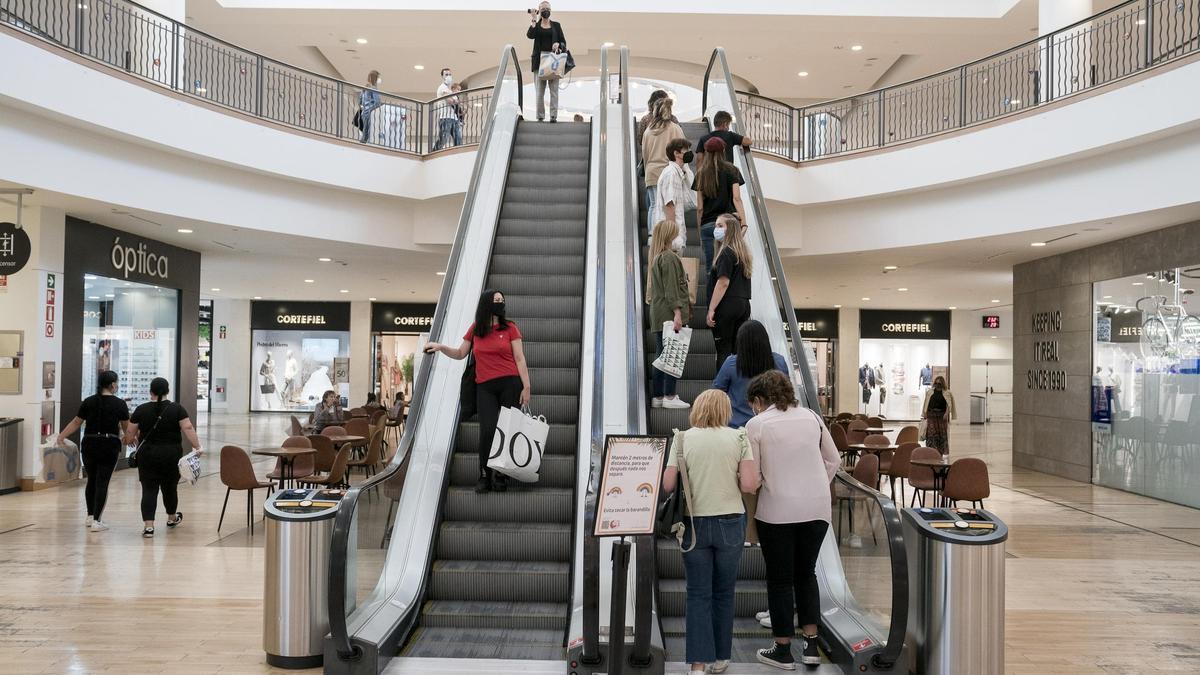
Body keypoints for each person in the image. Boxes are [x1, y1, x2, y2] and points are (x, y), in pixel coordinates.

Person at [744, 370, 839, 669]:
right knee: (806, 574)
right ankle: (811, 646)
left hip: (778, 512)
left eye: (753, 403)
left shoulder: (757, 425)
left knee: (781, 579)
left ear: (760, 400)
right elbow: (833, 459)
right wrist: (815, 485)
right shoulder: (811, 417)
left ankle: (783, 649)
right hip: (817, 510)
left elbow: (753, 480)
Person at [662, 390, 759, 674]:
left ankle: (698, 664)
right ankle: (721, 657)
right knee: (724, 593)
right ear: (725, 410)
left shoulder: (682, 438)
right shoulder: (739, 437)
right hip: (731, 522)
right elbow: (749, 484)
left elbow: (668, 485)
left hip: (695, 524)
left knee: (698, 593)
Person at [424, 289, 532, 493]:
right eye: (496, 300)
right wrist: (440, 347)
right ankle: (484, 474)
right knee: (488, 430)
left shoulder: (510, 328)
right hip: (485, 386)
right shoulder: (476, 329)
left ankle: (502, 473)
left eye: (502, 300)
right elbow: (460, 353)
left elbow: (519, 358)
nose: (500, 303)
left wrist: (526, 386)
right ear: (486, 304)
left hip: (510, 383)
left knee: (507, 429)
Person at [126, 378, 202, 538]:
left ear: (151, 391)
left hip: (147, 455)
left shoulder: (141, 409)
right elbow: (188, 427)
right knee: (170, 487)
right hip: (171, 455)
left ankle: (149, 527)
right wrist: (197, 446)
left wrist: (131, 438)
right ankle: (172, 518)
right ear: (167, 390)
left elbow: (129, 434)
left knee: (149, 489)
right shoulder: (177, 409)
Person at [55, 370, 128, 532]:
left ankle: (89, 516)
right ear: (112, 385)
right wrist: (129, 438)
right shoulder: (119, 404)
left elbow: (76, 422)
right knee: (103, 482)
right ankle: (97, 520)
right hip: (109, 444)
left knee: (92, 480)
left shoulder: (88, 402)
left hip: (89, 443)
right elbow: (126, 428)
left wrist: (61, 436)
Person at [646, 219, 691, 410]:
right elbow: (671, 290)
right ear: (669, 235)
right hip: (668, 312)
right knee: (672, 353)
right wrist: (678, 314)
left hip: (658, 311)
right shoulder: (670, 258)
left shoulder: (657, 257)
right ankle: (670, 395)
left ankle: (657, 396)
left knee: (661, 354)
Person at [713, 320, 787, 428]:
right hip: (771, 425)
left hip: (737, 427)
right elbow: (786, 393)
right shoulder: (779, 361)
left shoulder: (732, 363)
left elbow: (716, 393)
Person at [692, 137, 746, 285]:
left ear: (706, 153)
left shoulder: (701, 174)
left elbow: (700, 207)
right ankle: (725, 305)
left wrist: (700, 229)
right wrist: (744, 223)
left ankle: (711, 306)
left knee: (711, 268)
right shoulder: (732, 170)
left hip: (708, 225)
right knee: (730, 266)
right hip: (728, 225)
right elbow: (737, 198)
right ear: (723, 151)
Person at [707, 213, 753, 367]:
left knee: (723, 350)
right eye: (716, 226)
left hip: (727, 305)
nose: (716, 229)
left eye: (720, 226)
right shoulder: (742, 253)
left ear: (731, 230)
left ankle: (721, 390)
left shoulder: (726, 252)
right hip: (744, 304)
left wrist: (711, 309)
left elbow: (723, 282)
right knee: (736, 351)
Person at [641, 97, 685, 227]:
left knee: (654, 205)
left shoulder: (648, 131)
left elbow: (645, 154)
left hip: (652, 171)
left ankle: (652, 235)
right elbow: (683, 151)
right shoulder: (675, 129)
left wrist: (647, 168)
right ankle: (670, 235)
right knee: (670, 204)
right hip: (669, 171)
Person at [526, 1, 566, 122]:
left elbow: (564, 42)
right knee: (539, 92)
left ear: (551, 10)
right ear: (539, 10)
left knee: (554, 91)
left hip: (553, 61)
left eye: (547, 8)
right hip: (539, 62)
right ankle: (540, 116)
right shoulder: (537, 26)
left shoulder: (556, 26)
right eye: (543, 9)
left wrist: (559, 44)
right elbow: (530, 35)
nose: (545, 10)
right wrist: (533, 18)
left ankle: (553, 116)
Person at [654, 137, 694, 249]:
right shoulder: (671, 174)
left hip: (675, 235)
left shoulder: (677, 173)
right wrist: (671, 238)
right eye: (686, 151)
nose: (689, 153)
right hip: (672, 238)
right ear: (676, 153)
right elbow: (669, 205)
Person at [922, 375, 956, 454]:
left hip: (941, 416)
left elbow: (949, 404)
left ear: (943, 384)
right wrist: (924, 413)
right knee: (931, 434)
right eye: (936, 383)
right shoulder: (930, 392)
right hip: (931, 415)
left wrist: (946, 413)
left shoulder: (947, 392)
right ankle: (931, 452)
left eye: (939, 383)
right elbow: (926, 403)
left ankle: (940, 453)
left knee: (941, 435)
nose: (937, 385)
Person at [434, 67, 462, 150]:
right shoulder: (442, 87)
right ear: (442, 76)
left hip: (454, 118)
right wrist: (455, 99)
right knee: (443, 139)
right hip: (445, 118)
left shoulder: (449, 90)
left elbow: (456, 102)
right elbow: (450, 101)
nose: (448, 76)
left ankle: (458, 155)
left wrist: (455, 99)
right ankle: (434, 153)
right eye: (446, 74)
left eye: (450, 74)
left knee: (458, 141)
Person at [359, 70, 383, 143]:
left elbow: (360, 102)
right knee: (369, 133)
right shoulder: (373, 88)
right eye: (378, 78)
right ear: (375, 78)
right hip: (370, 113)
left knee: (365, 133)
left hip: (364, 113)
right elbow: (377, 102)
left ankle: (363, 143)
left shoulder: (364, 89)